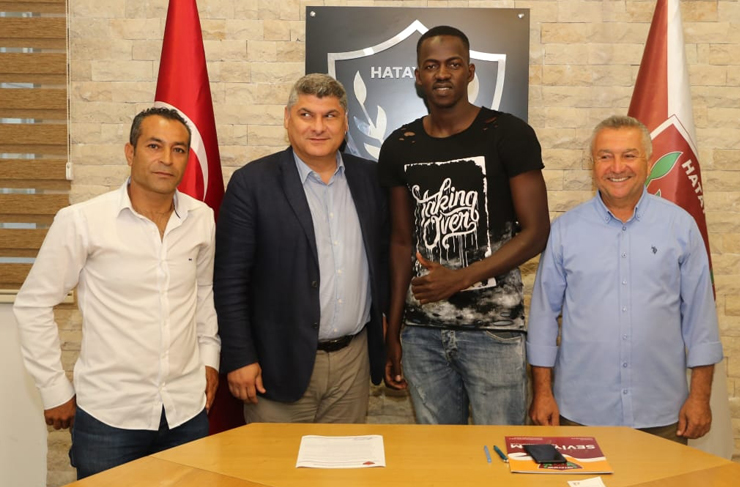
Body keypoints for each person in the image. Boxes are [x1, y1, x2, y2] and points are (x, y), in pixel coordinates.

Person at [13, 107, 221, 478]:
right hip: (109, 418)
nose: (167, 158)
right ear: (130, 152)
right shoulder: (82, 221)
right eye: (154, 146)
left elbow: (203, 291)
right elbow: (33, 305)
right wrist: (53, 388)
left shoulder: (201, 218)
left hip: (185, 413)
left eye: (178, 149)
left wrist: (210, 357)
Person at [377, 25, 550, 425]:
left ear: (470, 71)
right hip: (421, 335)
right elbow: (401, 243)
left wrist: (460, 279)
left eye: (453, 64)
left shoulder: (508, 134)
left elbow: (537, 232)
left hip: (493, 331)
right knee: (439, 456)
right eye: (431, 66)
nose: (442, 74)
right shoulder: (399, 146)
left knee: (499, 452)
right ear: (418, 76)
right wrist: (394, 329)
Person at [527, 115, 723, 444]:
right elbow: (544, 318)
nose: (617, 167)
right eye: (605, 156)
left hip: (663, 414)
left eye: (629, 155)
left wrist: (700, 398)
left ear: (648, 162)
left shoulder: (681, 227)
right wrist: (542, 392)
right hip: (580, 413)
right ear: (593, 164)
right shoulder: (564, 231)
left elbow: (701, 320)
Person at [215, 73, 387, 424]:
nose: (318, 127)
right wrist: (240, 357)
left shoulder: (371, 178)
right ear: (287, 118)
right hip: (276, 366)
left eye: (330, 116)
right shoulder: (252, 184)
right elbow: (229, 281)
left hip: (352, 363)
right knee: (273, 462)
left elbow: (383, 261)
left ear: (345, 122)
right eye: (306, 114)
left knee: (344, 460)